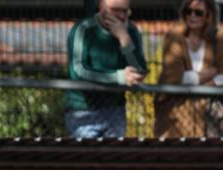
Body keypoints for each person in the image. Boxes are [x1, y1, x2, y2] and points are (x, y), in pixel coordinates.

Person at [66, 0, 148, 138]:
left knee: (113, 155)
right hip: (83, 109)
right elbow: (78, 71)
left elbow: (140, 70)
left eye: (125, 11)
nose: (122, 16)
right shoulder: (83, 29)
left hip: (116, 109)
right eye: (116, 10)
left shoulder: (131, 31)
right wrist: (118, 77)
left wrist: (124, 38)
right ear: (102, 6)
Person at [155, 0, 223, 137]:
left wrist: (211, 83)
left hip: (207, 117)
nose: (192, 16)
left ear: (208, 15)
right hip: (175, 112)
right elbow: (173, 78)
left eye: (198, 13)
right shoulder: (173, 37)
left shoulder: (217, 40)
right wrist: (211, 73)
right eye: (188, 11)